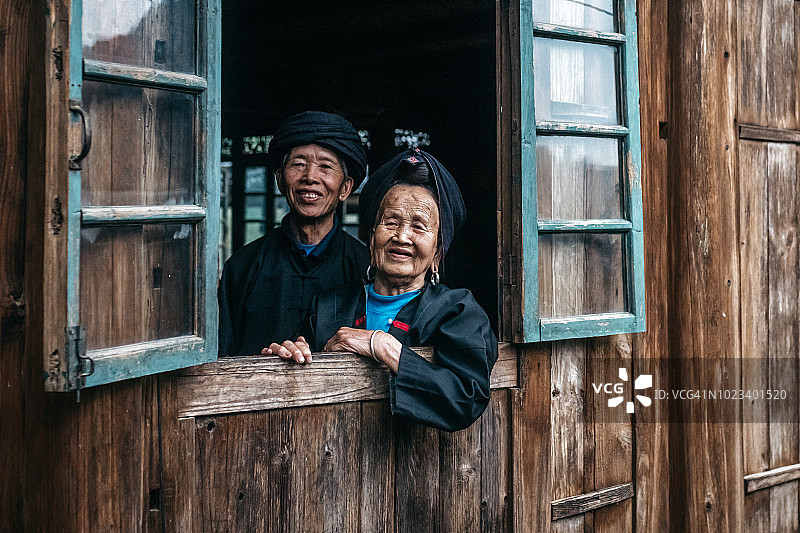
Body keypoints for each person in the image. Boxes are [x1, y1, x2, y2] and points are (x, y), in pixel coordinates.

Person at [263, 148, 498, 431]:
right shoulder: (327, 305)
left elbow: (466, 398)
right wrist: (290, 359)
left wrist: (381, 345)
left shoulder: (457, 312)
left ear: (437, 252)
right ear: (372, 238)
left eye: (419, 227)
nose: (402, 236)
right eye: (391, 223)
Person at [218, 111, 369, 356]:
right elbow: (222, 357)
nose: (310, 177)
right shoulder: (242, 267)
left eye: (325, 167)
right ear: (280, 179)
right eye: (298, 164)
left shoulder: (365, 268)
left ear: (345, 188)